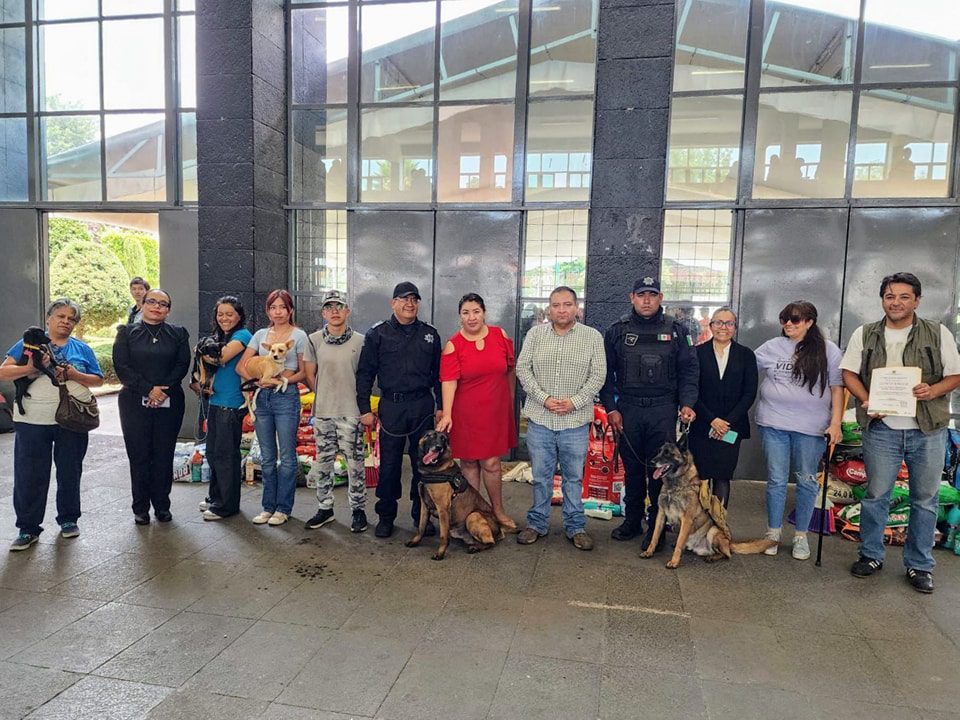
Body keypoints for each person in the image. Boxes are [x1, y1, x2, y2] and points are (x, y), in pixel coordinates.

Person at [841, 273, 960, 593]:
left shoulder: (938, 333)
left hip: (927, 431)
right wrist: (866, 399)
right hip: (882, 430)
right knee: (877, 495)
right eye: (890, 296)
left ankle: (920, 565)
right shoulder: (865, 334)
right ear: (882, 300)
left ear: (917, 300)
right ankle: (870, 554)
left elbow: (956, 374)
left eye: (904, 297)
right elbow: (849, 372)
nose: (896, 302)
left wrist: (932, 390)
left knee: (925, 499)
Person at [599, 276, 698, 550]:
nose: (646, 300)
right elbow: (605, 375)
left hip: (663, 410)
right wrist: (612, 408)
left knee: (661, 472)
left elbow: (690, 371)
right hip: (628, 409)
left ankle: (656, 527)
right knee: (631, 470)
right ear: (632, 298)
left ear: (660, 298)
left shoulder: (677, 331)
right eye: (641, 295)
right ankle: (631, 521)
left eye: (652, 295)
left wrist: (687, 403)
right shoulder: (617, 331)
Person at [2, 299, 103, 550]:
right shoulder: (28, 344)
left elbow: (98, 380)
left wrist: (74, 375)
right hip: (32, 420)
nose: (66, 322)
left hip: (72, 418)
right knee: (30, 474)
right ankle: (28, 528)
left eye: (71, 319)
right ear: (48, 318)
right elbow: (3, 372)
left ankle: (69, 519)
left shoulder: (82, 349)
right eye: (61, 316)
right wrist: (32, 368)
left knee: (70, 470)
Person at [515, 286, 606, 551]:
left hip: (575, 422)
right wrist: (543, 398)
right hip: (540, 418)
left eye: (567, 304)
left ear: (576, 307)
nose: (562, 310)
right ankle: (537, 523)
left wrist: (574, 402)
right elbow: (523, 368)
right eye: (556, 305)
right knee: (541, 476)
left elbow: (598, 375)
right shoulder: (535, 334)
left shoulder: (591, 337)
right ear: (549, 308)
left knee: (573, 478)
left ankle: (576, 526)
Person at [754, 301, 843, 560]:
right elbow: (745, 367)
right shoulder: (771, 347)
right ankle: (772, 533)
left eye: (795, 319)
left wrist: (835, 423)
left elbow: (838, 388)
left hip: (811, 428)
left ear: (809, 322)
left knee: (806, 481)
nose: (789, 324)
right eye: (785, 320)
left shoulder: (829, 351)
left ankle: (801, 535)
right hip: (773, 424)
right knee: (777, 480)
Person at [356, 281, 442, 538]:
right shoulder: (378, 334)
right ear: (393, 303)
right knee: (390, 464)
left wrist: (441, 407)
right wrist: (364, 408)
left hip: (422, 406)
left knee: (424, 464)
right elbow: (365, 374)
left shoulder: (430, 334)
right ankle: (386, 515)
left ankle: (422, 516)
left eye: (414, 299)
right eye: (404, 299)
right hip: (391, 406)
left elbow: (439, 375)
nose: (409, 304)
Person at [436, 293, 517, 530]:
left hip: (495, 410)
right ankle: (475, 511)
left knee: (492, 462)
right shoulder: (454, 344)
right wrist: (448, 413)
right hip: (466, 412)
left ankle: (498, 511)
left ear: (484, 313)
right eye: (466, 313)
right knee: (469, 463)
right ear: (460, 316)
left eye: (476, 311)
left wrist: (509, 400)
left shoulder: (499, 335)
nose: (472, 317)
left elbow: (510, 369)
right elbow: (448, 381)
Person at [113, 289, 191, 525]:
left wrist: (162, 389)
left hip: (169, 400)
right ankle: (140, 508)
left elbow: (182, 364)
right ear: (143, 304)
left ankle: (162, 505)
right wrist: (148, 389)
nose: (157, 307)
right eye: (152, 302)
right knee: (139, 455)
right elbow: (122, 366)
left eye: (163, 304)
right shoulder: (127, 333)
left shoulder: (178, 333)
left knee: (163, 454)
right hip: (134, 401)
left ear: (169, 309)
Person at [238, 289, 308, 527]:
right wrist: (255, 381)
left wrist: (282, 377)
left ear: (290, 310)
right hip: (262, 398)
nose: (278, 312)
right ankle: (268, 507)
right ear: (268, 311)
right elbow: (242, 365)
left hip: (286, 396)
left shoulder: (298, 336)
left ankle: (283, 508)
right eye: (273, 307)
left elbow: (303, 372)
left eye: (282, 307)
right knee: (267, 457)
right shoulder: (260, 335)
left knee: (287, 456)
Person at [302, 290, 368, 533]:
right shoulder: (314, 340)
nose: (335, 311)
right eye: (329, 308)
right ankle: (325, 508)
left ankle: (358, 509)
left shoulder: (361, 341)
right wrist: (323, 394)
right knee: (324, 461)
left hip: (351, 412)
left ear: (347, 311)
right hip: (323, 412)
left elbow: (365, 376)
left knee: (355, 464)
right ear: (323, 313)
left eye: (339, 307)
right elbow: (310, 373)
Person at [191, 296, 252, 520]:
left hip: (231, 402)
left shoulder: (243, 335)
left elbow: (220, 357)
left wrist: (202, 350)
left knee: (226, 455)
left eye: (229, 314)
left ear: (239, 316)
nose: (224, 318)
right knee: (213, 452)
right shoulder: (220, 337)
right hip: (215, 401)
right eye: (220, 314)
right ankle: (215, 497)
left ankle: (226, 505)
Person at [688, 307, 757, 507]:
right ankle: (697, 527)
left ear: (735, 327)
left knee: (722, 476)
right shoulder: (697, 353)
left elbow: (749, 393)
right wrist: (712, 420)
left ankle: (719, 526)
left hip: (731, 428)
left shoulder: (746, 355)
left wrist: (725, 423)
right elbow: (693, 390)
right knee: (698, 478)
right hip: (702, 426)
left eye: (728, 323)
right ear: (711, 326)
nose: (723, 327)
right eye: (718, 322)